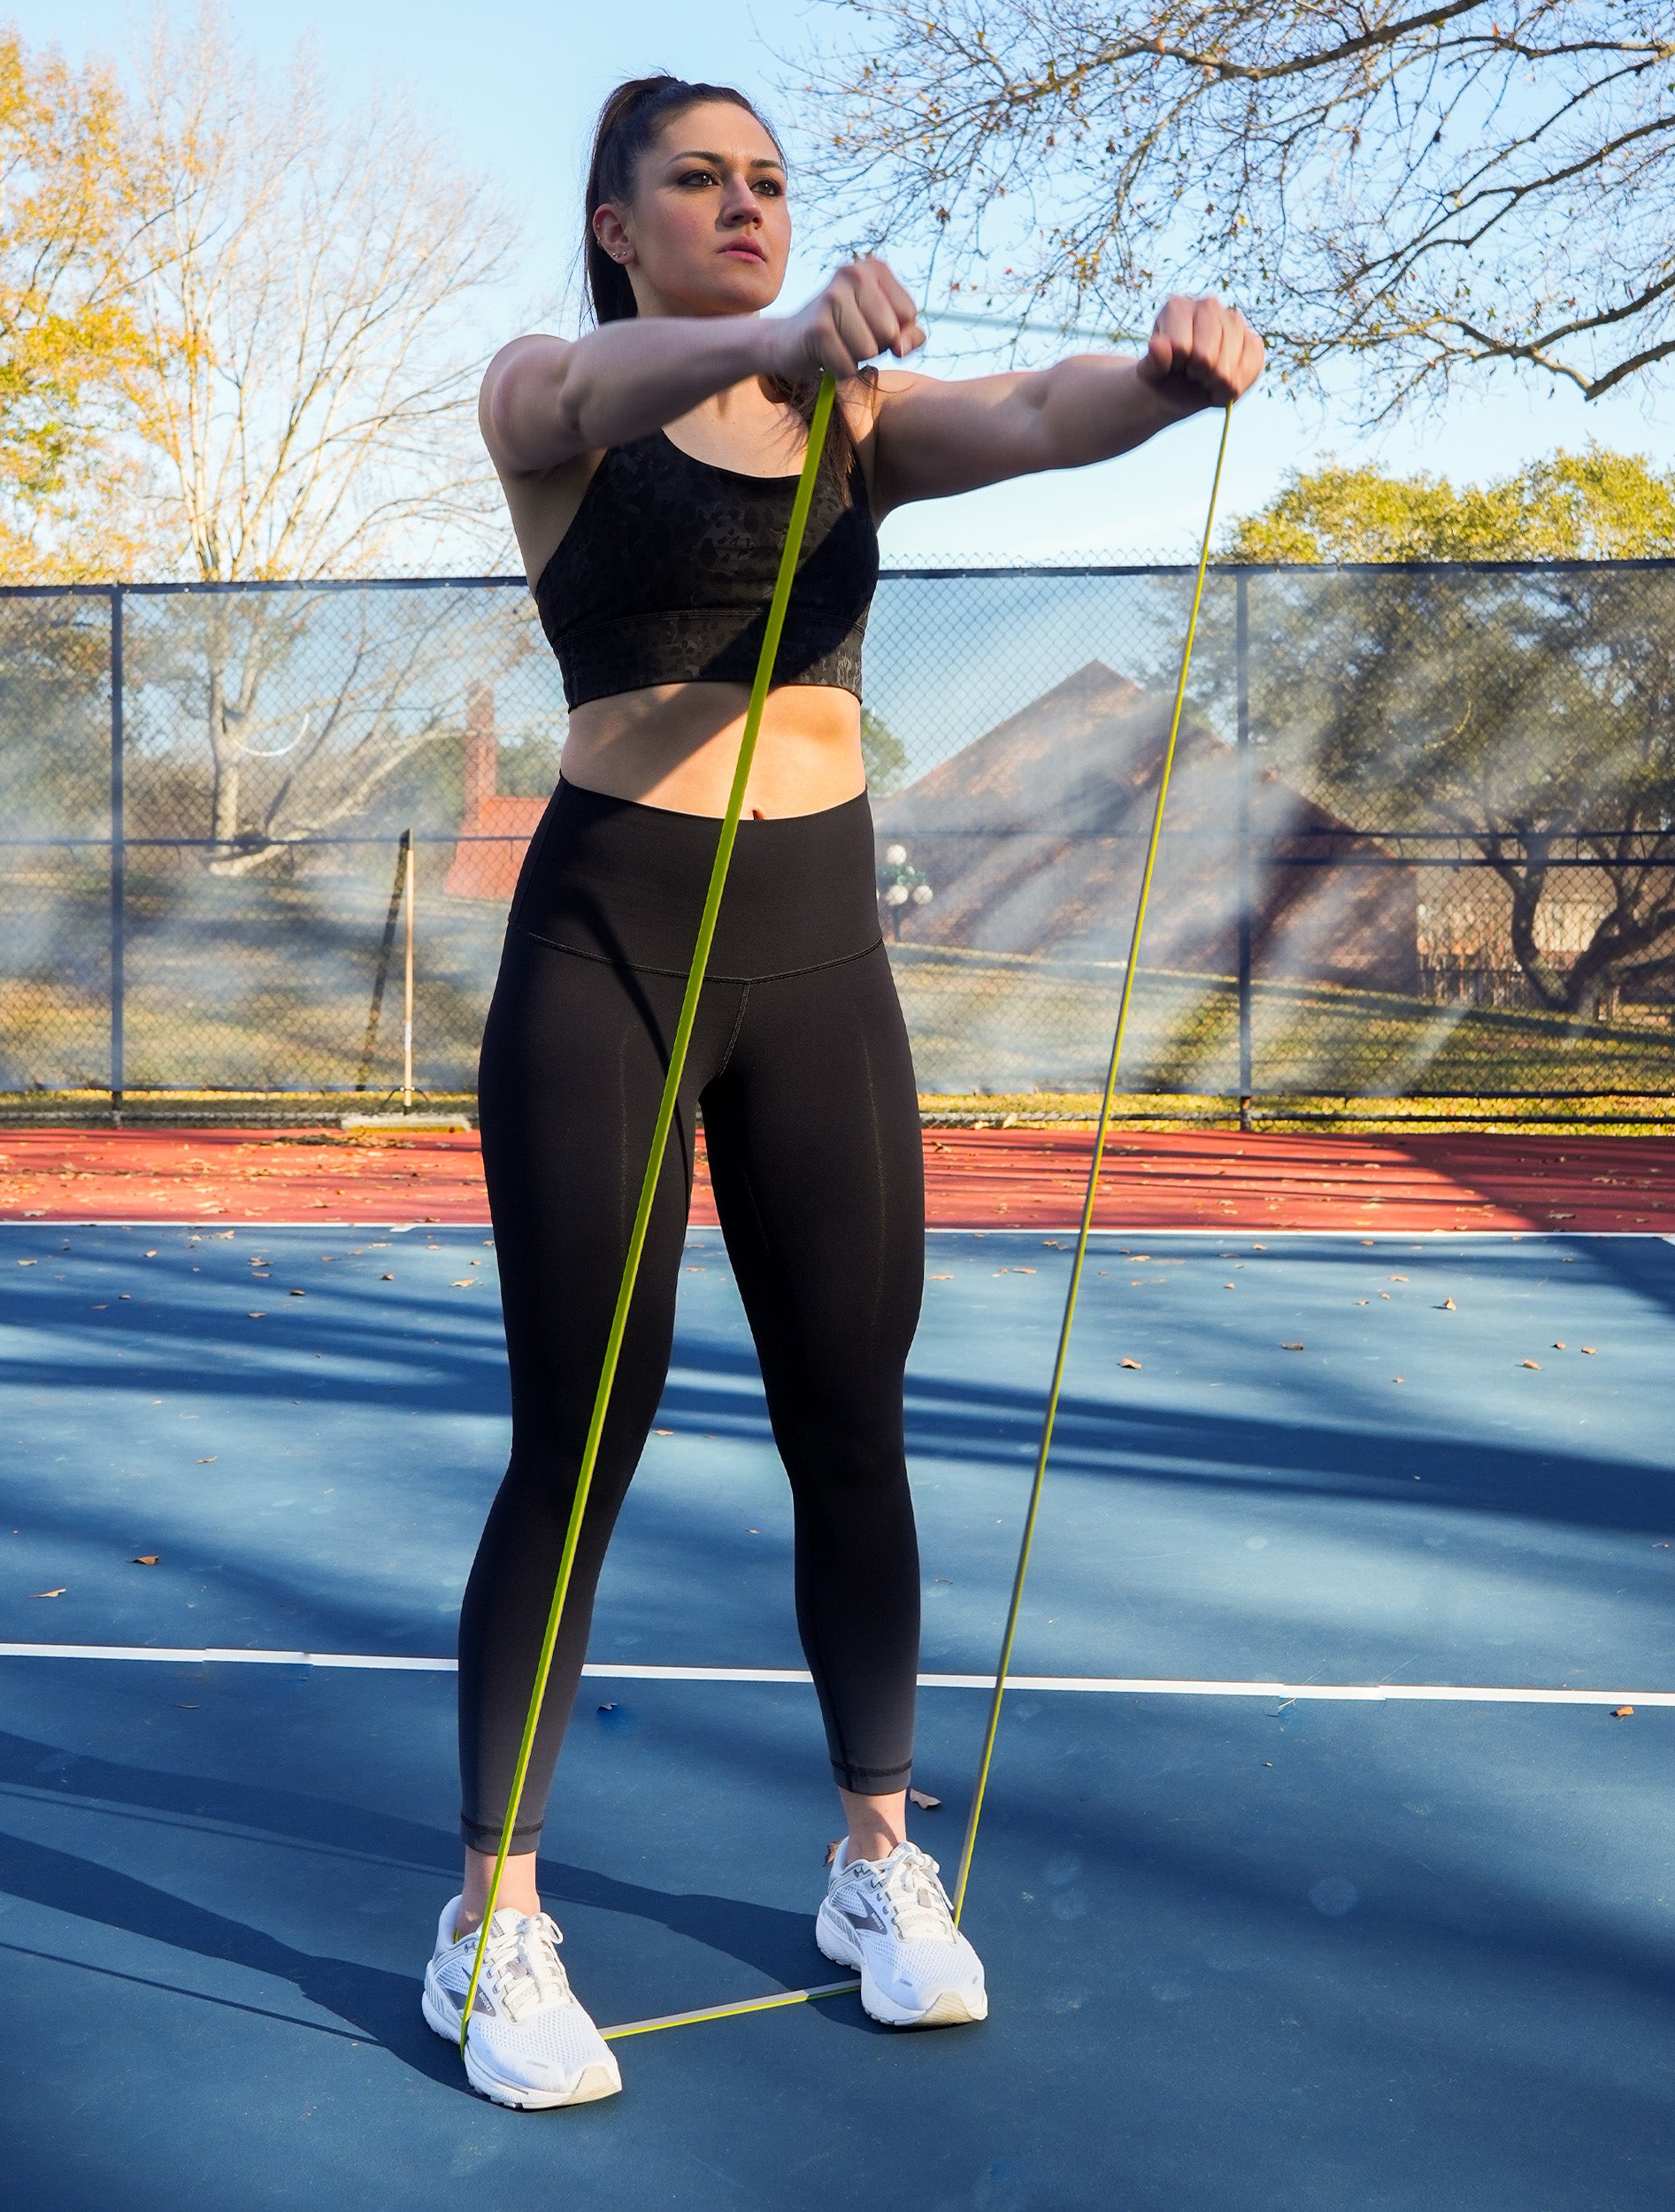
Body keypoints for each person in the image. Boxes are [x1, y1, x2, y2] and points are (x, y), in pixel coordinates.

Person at [422, 72, 1264, 2110]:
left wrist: (1165, 383)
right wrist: (776, 338)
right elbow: (586, 383)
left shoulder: (854, 422)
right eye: (699, 181)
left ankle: (873, 1861)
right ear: (616, 223)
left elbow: (1042, 411)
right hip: (603, 958)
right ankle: (488, 1918)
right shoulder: (554, 395)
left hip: (819, 963)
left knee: (849, 1419)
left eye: (772, 184)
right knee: (580, 1435)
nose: (746, 205)